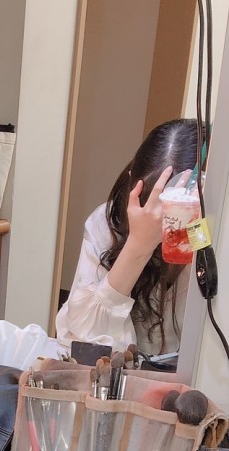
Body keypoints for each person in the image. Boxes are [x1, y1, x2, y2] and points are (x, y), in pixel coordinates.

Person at [55, 118, 198, 357]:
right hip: (123, 372)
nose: (165, 224)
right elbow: (83, 342)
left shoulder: (212, 232)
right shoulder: (107, 223)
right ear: (133, 182)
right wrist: (138, 246)